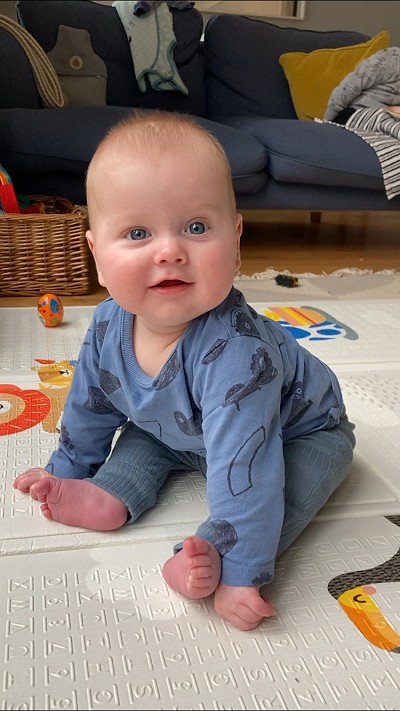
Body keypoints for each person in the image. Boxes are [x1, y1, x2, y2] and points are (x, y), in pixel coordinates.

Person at [14, 110, 356, 630]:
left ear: (236, 240)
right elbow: (91, 404)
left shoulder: (237, 352)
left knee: (289, 484)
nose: (170, 250)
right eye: (136, 232)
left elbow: (246, 465)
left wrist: (241, 574)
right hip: (181, 426)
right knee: (144, 435)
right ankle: (108, 495)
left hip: (296, 432)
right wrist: (68, 466)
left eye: (197, 227)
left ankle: (216, 555)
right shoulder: (108, 325)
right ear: (97, 257)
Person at [324, 46, 400, 124]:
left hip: (388, 123)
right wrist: (327, 121)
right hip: (357, 114)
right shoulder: (392, 59)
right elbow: (350, 86)